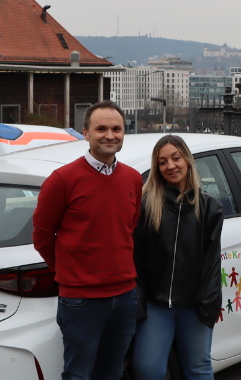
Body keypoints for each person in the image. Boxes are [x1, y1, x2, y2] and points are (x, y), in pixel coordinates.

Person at [32, 100, 143, 380]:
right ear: (86, 133)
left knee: (113, 372)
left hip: (125, 297)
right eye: (101, 128)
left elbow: (129, 228)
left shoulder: (132, 179)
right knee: (78, 374)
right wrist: (71, 273)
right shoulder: (62, 180)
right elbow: (42, 236)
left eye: (116, 129)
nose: (110, 135)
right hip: (81, 300)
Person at [132, 134, 225, 380]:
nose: (170, 166)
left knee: (198, 367)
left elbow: (211, 263)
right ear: (157, 167)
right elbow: (137, 260)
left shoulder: (209, 208)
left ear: (187, 160)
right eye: (162, 162)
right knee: (147, 369)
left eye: (176, 158)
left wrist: (208, 305)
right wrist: (140, 303)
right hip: (156, 306)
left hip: (194, 306)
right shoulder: (146, 207)